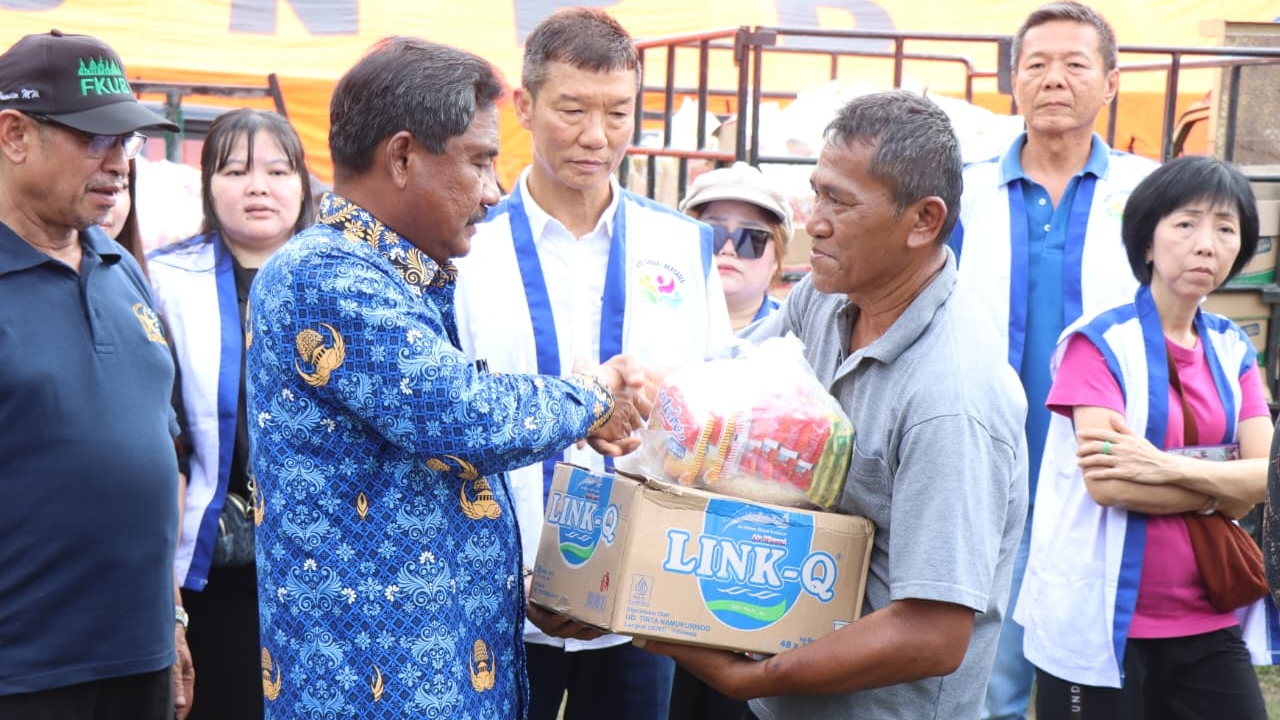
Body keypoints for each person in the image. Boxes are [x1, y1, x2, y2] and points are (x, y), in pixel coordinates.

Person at [245, 36, 644, 719]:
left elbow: (418, 481)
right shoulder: (326, 274)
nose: (492, 193)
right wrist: (595, 396)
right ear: (402, 157)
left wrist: (501, 584)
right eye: (480, 162)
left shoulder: (391, 276)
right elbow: (462, 415)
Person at [640, 90, 1028, 719]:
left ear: (923, 221)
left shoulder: (952, 397)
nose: (812, 220)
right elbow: (730, 394)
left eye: (839, 202)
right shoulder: (826, 298)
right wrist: (645, 393)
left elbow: (934, 632)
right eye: (816, 191)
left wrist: (756, 680)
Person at [453, 9, 731, 720]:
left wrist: (666, 396)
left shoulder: (681, 247)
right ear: (524, 106)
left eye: (618, 112)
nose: (596, 137)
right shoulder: (464, 248)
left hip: (641, 609)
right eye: (572, 109)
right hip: (496, 601)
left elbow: (721, 412)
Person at [947, 5, 1158, 717]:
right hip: (986, 458)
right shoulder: (963, 190)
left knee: (1093, 674)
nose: (1055, 79)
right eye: (1036, 64)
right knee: (984, 664)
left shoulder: (1149, 194)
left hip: (1107, 461)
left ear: (1110, 82)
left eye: (1076, 64)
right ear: (1013, 81)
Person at [1018, 154, 1276, 718]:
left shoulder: (1232, 347)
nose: (1206, 244)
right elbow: (1111, 484)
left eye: (1226, 229)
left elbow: (1266, 477)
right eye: (1186, 224)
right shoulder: (1097, 342)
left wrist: (1162, 465)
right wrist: (1220, 490)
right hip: (1100, 619)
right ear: (1147, 241)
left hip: (1208, 614)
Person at [0, 30, 194, 720]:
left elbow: (155, 448)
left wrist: (171, 616)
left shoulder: (120, 268)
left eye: (129, 142)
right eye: (95, 139)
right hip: (25, 675)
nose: (119, 162)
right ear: (15, 135)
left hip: (138, 660)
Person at [148, 108, 314, 720]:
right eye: (236, 170)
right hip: (207, 571)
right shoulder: (163, 279)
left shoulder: (342, 282)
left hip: (322, 571)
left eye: (277, 169)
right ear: (207, 185)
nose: (258, 186)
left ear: (303, 182)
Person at [679, 161, 792, 333]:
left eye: (750, 239)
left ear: (776, 257)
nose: (728, 249)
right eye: (712, 234)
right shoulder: (648, 323)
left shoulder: (800, 336)